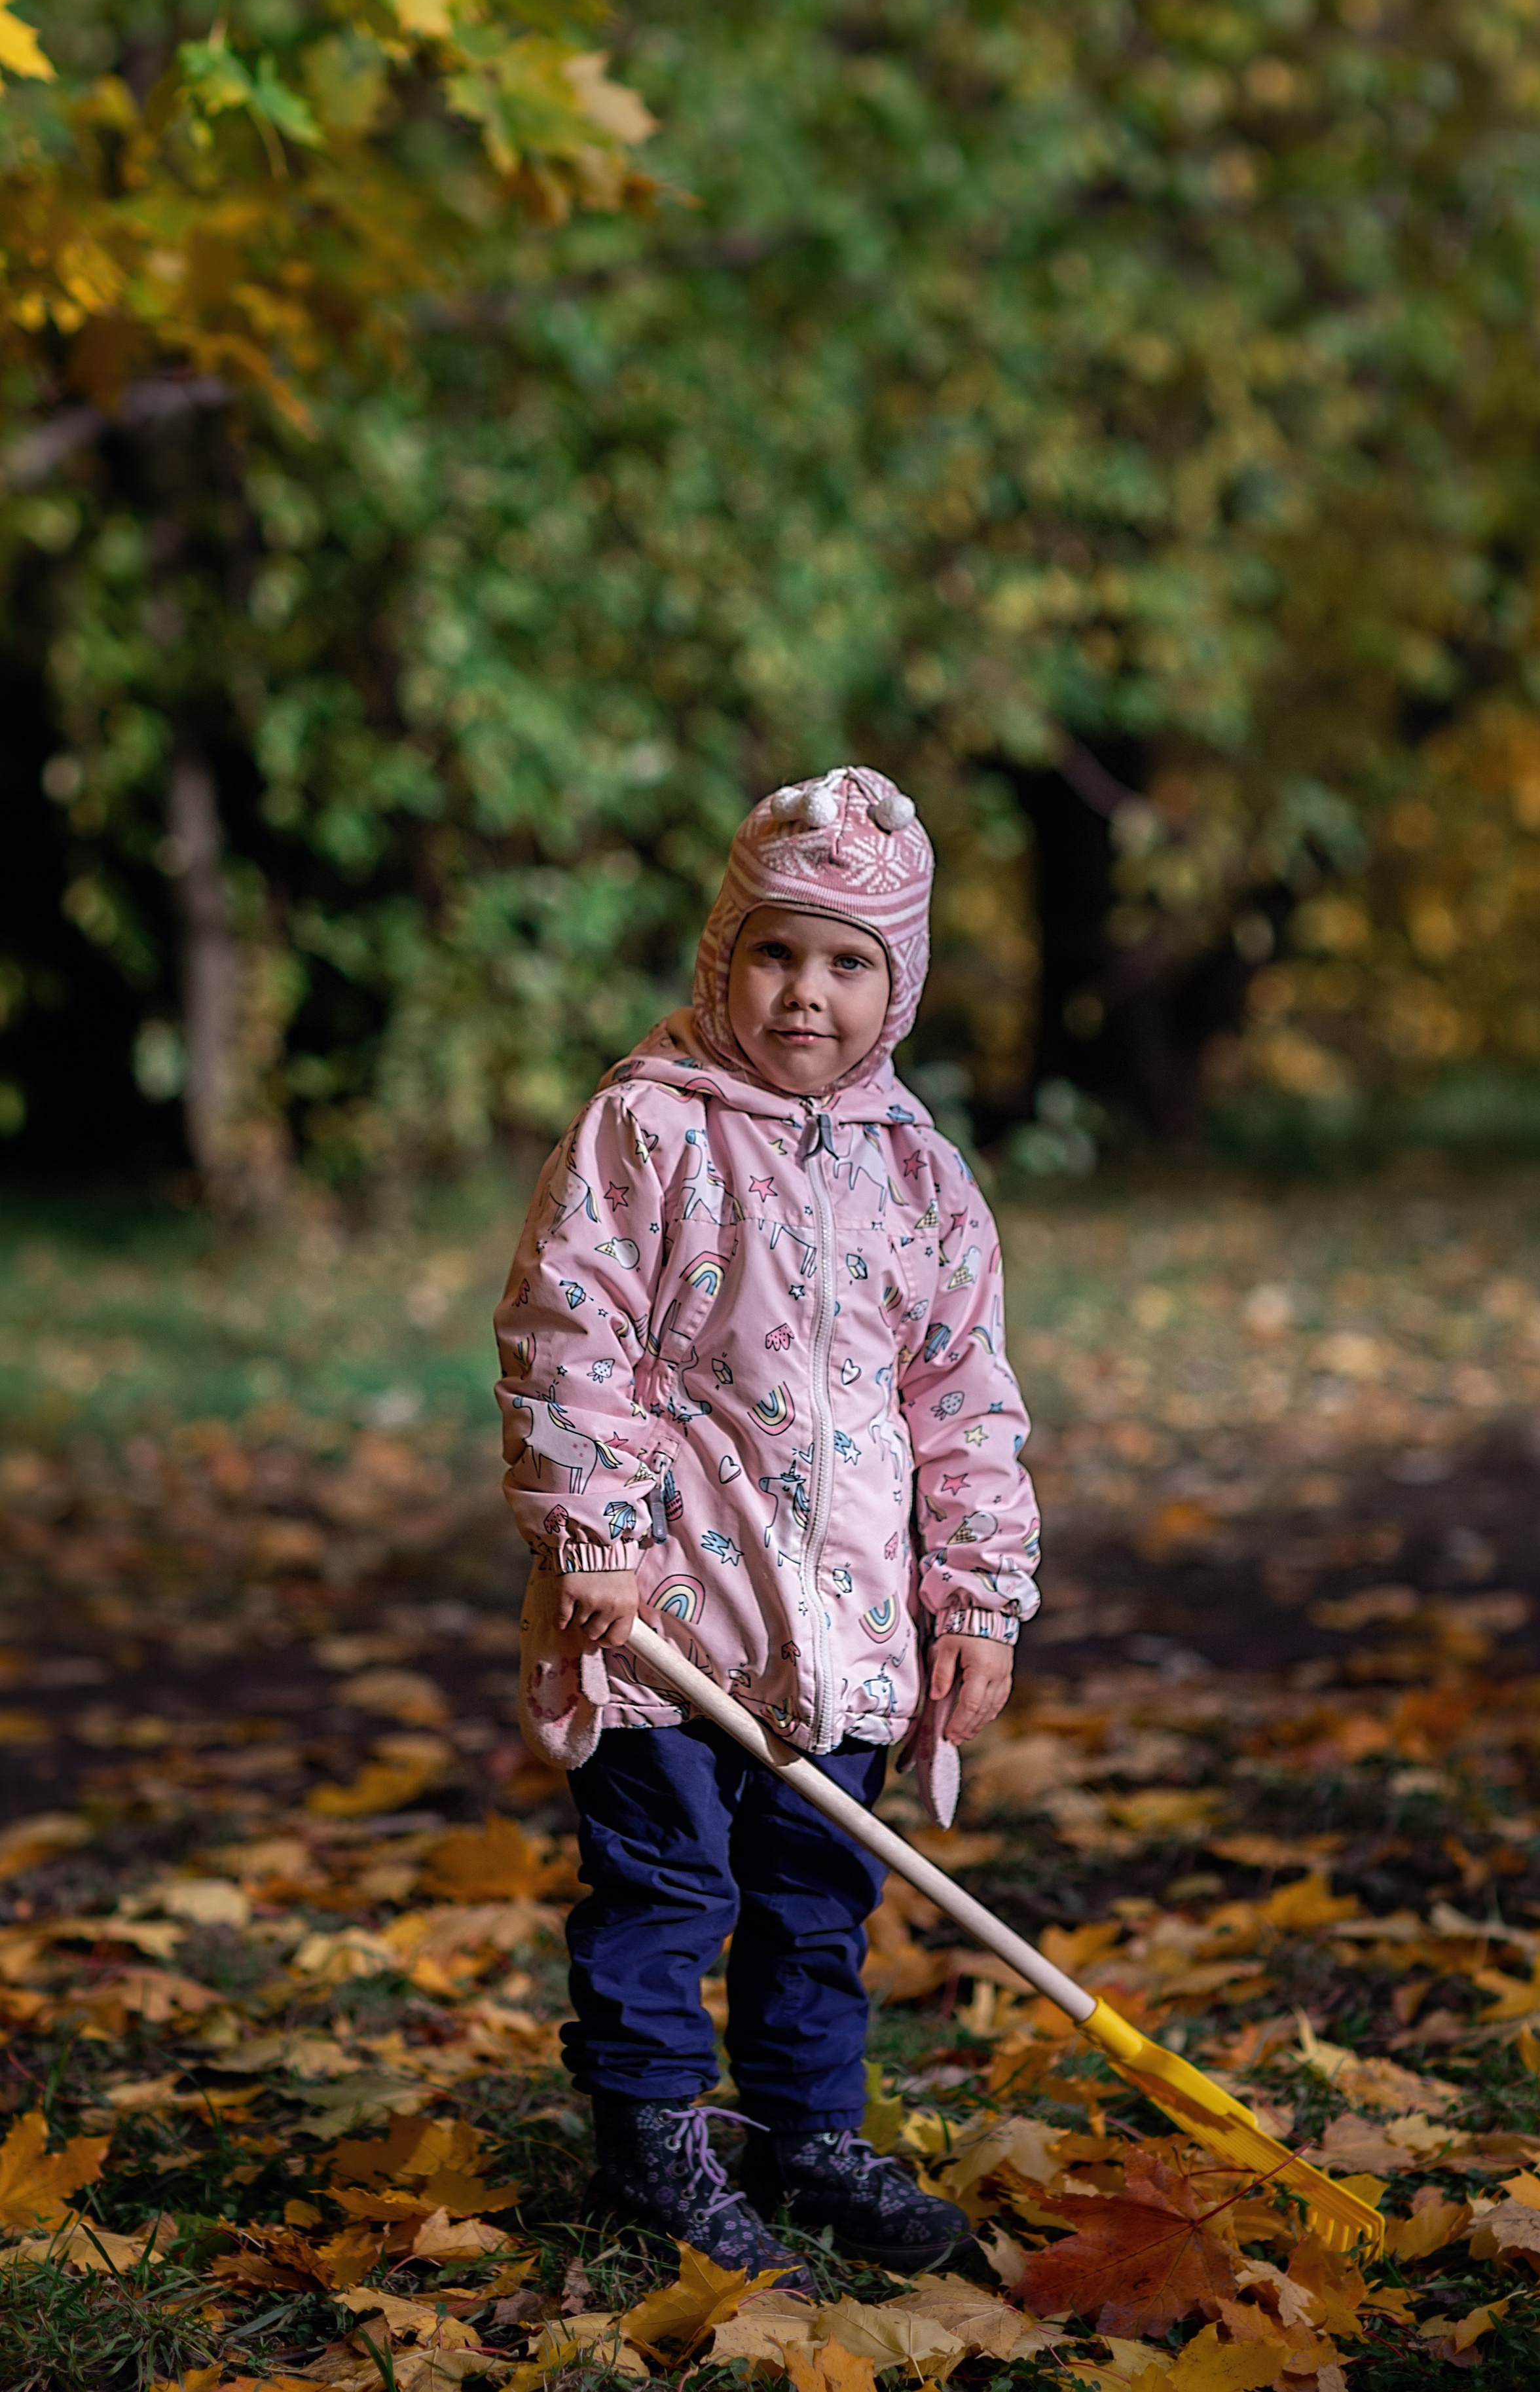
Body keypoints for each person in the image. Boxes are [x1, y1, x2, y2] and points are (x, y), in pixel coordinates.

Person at [494, 764, 1041, 2284]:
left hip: (847, 1622)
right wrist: (593, 1535)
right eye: (774, 951)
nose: (807, 992)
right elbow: (569, 1332)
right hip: (663, 1619)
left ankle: (807, 2131)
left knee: (817, 1895)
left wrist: (974, 1599)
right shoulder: (645, 1129)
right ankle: (651, 2135)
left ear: (897, 984)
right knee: (666, 1883)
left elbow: (964, 1397)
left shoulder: (920, 1175)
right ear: (719, 956)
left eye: (848, 962)